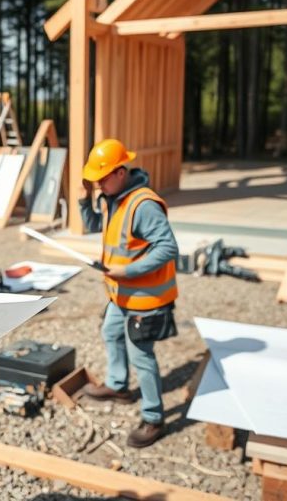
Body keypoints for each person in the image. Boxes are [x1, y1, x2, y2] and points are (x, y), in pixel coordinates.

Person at [78, 139, 179, 449]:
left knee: (141, 355)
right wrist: (85, 201)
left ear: (121, 172)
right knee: (110, 331)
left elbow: (168, 247)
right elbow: (96, 225)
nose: (97, 185)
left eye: (101, 179)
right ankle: (118, 386)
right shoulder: (114, 197)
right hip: (120, 294)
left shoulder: (142, 204)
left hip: (144, 297)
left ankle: (153, 417)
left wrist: (128, 271)